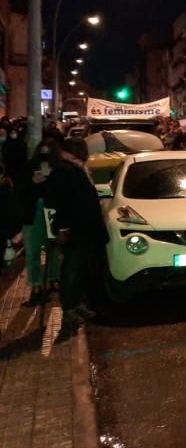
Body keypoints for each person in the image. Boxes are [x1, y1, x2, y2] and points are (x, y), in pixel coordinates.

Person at [44, 139, 108, 324]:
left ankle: (77, 302)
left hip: (85, 228)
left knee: (80, 268)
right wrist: (61, 229)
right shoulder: (64, 170)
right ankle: (69, 307)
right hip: (75, 229)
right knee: (72, 269)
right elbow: (56, 202)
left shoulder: (76, 168)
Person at [15, 142, 62, 305]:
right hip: (33, 211)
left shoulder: (59, 169)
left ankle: (53, 279)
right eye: (41, 152)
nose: (44, 155)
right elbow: (20, 190)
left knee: (53, 248)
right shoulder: (29, 168)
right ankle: (35, 285)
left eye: (47, 152)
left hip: (52, 211)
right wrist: (33, 183)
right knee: (32, 250)